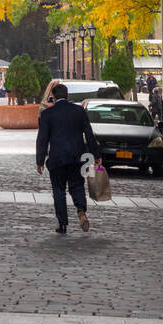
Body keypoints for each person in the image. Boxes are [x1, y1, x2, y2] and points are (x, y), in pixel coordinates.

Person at [36, 83, 102, 234]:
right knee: (77, 185)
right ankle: (81, 210)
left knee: (58, 190)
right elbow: (89, 134)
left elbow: (42, 140)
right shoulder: (79, 111)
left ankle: (63, 223)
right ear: (67, 96)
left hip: (57, 159)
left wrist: (40, 161)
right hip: (76, 157)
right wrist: (96, 155)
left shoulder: (47, 114)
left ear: (53, 97)